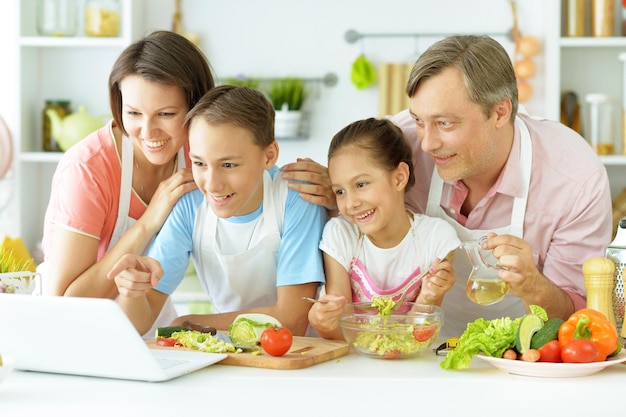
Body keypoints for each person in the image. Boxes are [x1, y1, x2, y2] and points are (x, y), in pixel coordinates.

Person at [282, 35, 613, 338]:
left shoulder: (575, 181)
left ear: (500, 111)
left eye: (444, 123)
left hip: (519, 358)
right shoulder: (401, 144)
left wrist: (535, 287)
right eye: (419, 121)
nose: (426, 144)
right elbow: (350, 181)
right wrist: (339, 189)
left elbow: (578, 319)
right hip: (416, 349)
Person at [107, 85, 327, 337]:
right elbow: (139, 322)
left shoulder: (297, 197)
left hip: (296, 353)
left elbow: (292, 319)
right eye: (200, 163)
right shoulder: (190, 204)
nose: (212, 184)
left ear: (269, 155)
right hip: (227, 350)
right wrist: (132, 292)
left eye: (229, 164)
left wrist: (189, 321)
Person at [40, 30, 215, 336]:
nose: (148, 132)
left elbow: (252, 177)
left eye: (166, 114)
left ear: (196, 106)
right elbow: (64, 303)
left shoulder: (197, 150)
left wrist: (323, 185)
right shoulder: (88, 170)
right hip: (71, 331)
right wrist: (147, 222)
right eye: (133, 113)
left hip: (148, 320)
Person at [307, 118, 460, 340]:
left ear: (399, 177)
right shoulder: (341, 234)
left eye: (361, 185)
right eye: (340, 191)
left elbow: (419, 336)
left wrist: (428, 296)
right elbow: (340, 331)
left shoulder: (436, 238)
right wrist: (321, 322)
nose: (350, 204)